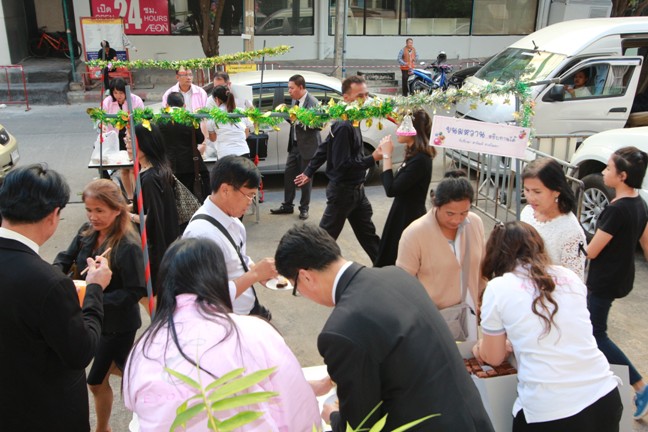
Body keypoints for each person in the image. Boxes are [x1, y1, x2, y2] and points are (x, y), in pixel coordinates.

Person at [275, 224, 494, 432]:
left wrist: (332, 415)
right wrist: (333, 378)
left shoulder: (340, 330)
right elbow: (397, 353)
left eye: (296, 288)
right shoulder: (396, 276)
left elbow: (360, 425)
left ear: (305, 277)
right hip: (472, 417)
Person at [123, 237, 320, 431]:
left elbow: (137, 407)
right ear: (218, 279)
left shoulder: (142, 350)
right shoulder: (254, 332)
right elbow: (299, 410)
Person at [474, 221, 622, 431]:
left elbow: (494, 357)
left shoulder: (498, 288)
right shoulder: (568, 276)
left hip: (550, 409)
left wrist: (481, 347)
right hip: (603, 395)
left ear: (495, 254)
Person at [0, 164, 112, 431]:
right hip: (43, 413)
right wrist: (94, 289)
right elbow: (80, 351)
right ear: (53, 215)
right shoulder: (48, 282)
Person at [53, 179, 146, 432]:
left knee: (95, 381)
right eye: (88, 210)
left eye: (99, 210)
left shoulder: (128, 245)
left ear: (117, 209)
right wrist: (53, 277)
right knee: (118, 369)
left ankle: (103, 428)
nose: (93, 217)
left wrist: (92, 296)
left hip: (117, 325)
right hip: (91, 317)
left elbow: (135, 291)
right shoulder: (87, 232)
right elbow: (64, 258)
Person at [585, 146, 648, 419]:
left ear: (622, 176)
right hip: (622, 277)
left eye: (608, 168)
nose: (603, 172)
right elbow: (646, 243)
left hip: (604, 280)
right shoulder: (639, 203)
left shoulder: (616, 210)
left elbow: (591, 251)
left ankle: (640, 386)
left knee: (596, 334)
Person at [295, 75, 381, 262]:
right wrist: (372, 158)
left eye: (366, 95)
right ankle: (306, 268)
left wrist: (309, 171)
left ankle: (386, 267)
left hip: (357, 192)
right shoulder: (343, 126)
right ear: (346, 98)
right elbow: (344, 166)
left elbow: (325, 146)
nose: (365, 100)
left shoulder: (352, 119)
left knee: (369, 236)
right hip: (343, 192)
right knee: (325, 239)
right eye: (359, 96)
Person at [396, 170, 485, 340]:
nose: (457, 220)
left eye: (464, 213)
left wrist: (482, 298)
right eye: (450, 213)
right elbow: (403, 283)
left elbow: (482, 266)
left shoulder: (475, 223)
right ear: (436, 205)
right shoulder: (414, 234)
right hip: (433, 320)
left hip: (470, 313)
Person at [183, 155, 276, 317]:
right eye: (248, 195)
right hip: (226, 320)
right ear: (225, 190)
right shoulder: (201, 235)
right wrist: (255, 274)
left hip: (246, 309)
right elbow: (207, 297)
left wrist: (259, 272)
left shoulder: (233, 220)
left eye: (253, 196)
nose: (250, 202)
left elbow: (239, 259)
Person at [373, 109, 434, 267]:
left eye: (400, 125)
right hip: (400, 214)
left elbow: (391, 189)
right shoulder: (414, 153)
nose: (397, 129)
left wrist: (387, 155)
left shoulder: (421, 159)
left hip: (408, 218)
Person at [126, 123, 179, 294]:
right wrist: (128, 207)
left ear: (145, 143)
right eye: (126, 139)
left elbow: (152, 218)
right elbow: (148, 204)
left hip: (156, 251)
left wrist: (128, 216)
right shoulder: (156, 170)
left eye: (131, 140)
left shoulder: (149, 179)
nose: (127, 144)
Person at [521, 157, 586, 279]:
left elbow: (574, 280)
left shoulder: (572, 232)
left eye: (537, 192)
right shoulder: (527, 213)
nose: (530, 197)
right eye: (527, 190)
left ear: (556, 191)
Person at [271, 74, 322, 220]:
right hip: (294, 145)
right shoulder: (295, 100)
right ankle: (287, 205)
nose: (289, 91)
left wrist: (301, 119)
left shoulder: (313, 102)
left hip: (308, 146)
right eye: (289, 88)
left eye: (291, 88)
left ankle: (304, 208)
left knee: (305, 178)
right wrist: (287, 116)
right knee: (289, 175)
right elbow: (294, 122)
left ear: (301, 87)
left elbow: (319, 125)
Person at [158, 91, 210, 200]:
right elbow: (200, 139)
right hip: (191, 165)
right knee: (195, 198)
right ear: (184, 105)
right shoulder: (190, 119)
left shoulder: (160, 121)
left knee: (174, 200)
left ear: (167, 105)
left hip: (169, 166)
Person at [101, 77, 145, 199]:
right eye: (115, 93)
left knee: (133, 168)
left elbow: (142, 119)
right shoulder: (108, 102)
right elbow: (102, 119)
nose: (118, 96)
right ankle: (130, 197)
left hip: (132, 137)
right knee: (124, 169)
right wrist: (102, 126)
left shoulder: (136, 100)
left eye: (121, 93)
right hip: (116, 138)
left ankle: (137, 197)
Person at [204, 85, 251, 159]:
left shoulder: (213, 116)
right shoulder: (241, 112)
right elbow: (246, 133)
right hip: (243, 152)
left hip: (224, 154)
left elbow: (213, 139)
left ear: (216, 99)